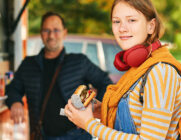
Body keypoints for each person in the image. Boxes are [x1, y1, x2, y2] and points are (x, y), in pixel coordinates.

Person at [64, 0, 181, 139]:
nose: (122, 28)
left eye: (131, 20)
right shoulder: (139, 69)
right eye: (116, 21)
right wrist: (97, 109)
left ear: (151, 26)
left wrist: (89, 124)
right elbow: (137, 115)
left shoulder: (160, 72)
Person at [5, 11, 112, 140]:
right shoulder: (28, 64)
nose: (51, 35)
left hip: (77, 135)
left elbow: (106, 83)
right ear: (41, 33)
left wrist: (94, 109)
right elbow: (12, 88)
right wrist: (16, 101)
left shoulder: (79, 61)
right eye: (46, 30)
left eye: (56, 30)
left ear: (64, 33)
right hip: (42, 135)